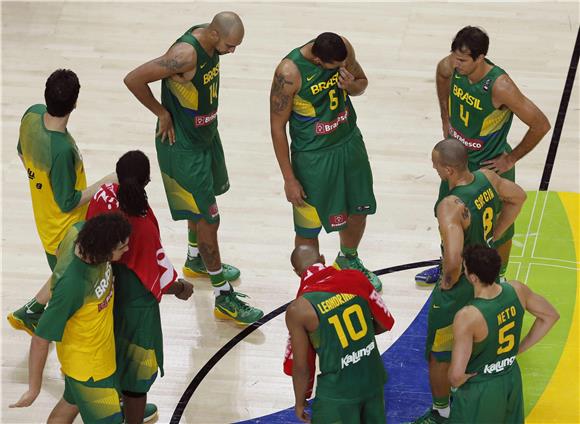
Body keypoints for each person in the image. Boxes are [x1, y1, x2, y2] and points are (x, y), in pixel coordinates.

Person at [124, 11, 263, 324]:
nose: (233, 51)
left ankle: (195, 258)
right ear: (214, 34)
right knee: (208, 221)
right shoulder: (185, 55)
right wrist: (161, 113)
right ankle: (223, 296)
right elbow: (133, 78)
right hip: (184, 149)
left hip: (205, 138)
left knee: (200, 210)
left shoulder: (209, 40)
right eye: (230, 45)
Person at [415, 26, 550, 286]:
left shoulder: (501, 86)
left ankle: (496, 277)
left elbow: (541, 124)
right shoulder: (451, 66)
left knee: (499, 228)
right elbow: (442, 74)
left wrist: (511, 159)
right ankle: (447, 266)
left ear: (481, 58)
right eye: (454, 56)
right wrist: (445, 116)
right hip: (458, 162)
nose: (456, 64)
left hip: (490, 165)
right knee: (447, 217)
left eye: (463, 60)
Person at [414, 138, 526, 424]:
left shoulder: (450, 206)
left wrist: (448, 282)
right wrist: (494, 236)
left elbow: (452, 258)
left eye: (436, 165)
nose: (435, 170)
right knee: (478, 335)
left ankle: (442, 411)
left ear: (449, 170)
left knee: (439, 352)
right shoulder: (488, 177)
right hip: (485, 276)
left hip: (463, 280)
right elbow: (518, 197)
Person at [86, 150, 194, 423]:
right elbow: (156, 272)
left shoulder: (103, 195)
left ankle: (112, 407)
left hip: (103, 295)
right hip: (135, 307)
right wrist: (180, 288)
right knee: (136, 380)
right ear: (147, 181)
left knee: (109, 360)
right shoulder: (141, 222)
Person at [8, 69, 117, 335]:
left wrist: (39, 181)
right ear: (75, 103)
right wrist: (107, 182)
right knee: (72, 285)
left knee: (62, 276)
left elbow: (21, 152)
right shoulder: (62, 149)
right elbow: (68, 202)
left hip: (45, 218)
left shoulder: (32, 115)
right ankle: (39, 322)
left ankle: (31, 312)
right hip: (64, 228)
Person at [270, 32, 382, 292]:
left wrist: (351, 86)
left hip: (348, 142)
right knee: (308, 226)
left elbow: (362, 84)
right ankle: (315, 285)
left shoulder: (343, 47)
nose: (341, 69)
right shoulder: (289, 73)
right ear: (319, 60)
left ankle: (349, 259)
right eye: (335, 68)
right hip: (313, 158)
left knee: (359, 208)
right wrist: (289, 179)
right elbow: (277, 128)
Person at [10, 213, 132, 424]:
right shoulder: (73, 286)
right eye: (122, 247)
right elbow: (40, 339)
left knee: (70, 404)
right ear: (104, 249)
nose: (127, 250)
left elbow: (60, 255)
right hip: (90, 371)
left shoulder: (79, 231)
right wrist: (34, 389)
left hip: (89, 360)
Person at [448, 245, 559, 423]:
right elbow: (550, 316)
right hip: (511, 377)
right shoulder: (517, 290)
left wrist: (465, 379)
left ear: (473, 277)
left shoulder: (468, 316)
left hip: (481, 388)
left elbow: (455, 377)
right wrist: (519, 349)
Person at [285, 245, 395, 423]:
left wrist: (299, 401)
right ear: (322, 259)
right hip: (373, 378)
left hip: (337, 391)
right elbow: (384, 322)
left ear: (297, 272)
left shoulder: (299, 309)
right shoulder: (357, 277)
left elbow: (301, 365)